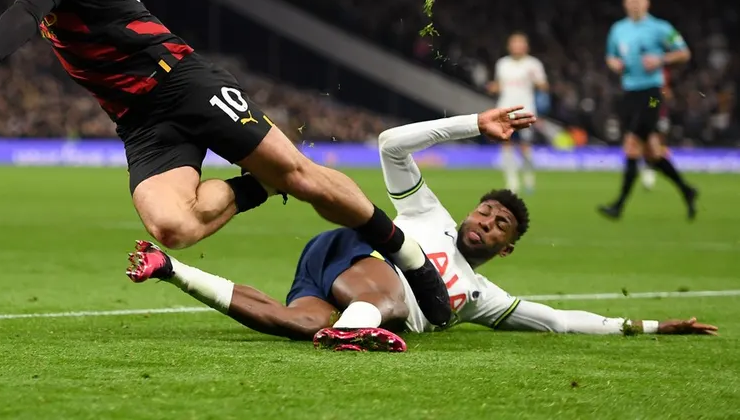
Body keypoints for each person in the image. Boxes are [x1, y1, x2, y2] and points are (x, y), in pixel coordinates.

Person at [0, 0, 453, 325]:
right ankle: (260, 184)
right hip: (139, 120)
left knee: (304, 177)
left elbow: (32, 3)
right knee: (173, 229)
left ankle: (410, 258)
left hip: (181, 83)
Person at [127, 108, 718, 351]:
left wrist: (650, 326)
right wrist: (474, 123)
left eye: (500, 225)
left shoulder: (482, 297)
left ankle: (170, 269)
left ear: (507, 249)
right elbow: (391, 144)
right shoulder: (427, 213)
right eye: (485, 211)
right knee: (393, 289)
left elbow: (561, 321)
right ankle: (354, 333)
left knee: (295, 325)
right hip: (358, 254)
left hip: (332, 282)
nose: (486, 222)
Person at [601, 0, 696, 220]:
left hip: (653, 93)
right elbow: (610, 55)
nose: (634, 3)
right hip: (630, 94)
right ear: (624, 4)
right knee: (652, 152)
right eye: (629, 0)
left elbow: (684, 53)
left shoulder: (661, 28)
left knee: (632, 144)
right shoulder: (618, 29)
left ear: (647, 3)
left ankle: (618, 205)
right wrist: (614, 64)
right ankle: (687, 190)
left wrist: (661, 59)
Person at [486, 32, 548, 193]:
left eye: (520, 43)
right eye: (514, 43)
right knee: (506, 144)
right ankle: (512, 182)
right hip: (505, 109)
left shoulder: (533, 64)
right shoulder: (502, 64)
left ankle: (529, 178)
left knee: (525, 147)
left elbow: (544, 86)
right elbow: (499, 86)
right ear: (509, 46)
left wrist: (536, 81)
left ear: (526, 46)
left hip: (525, 110)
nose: (517, 46)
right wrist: (493, 87)